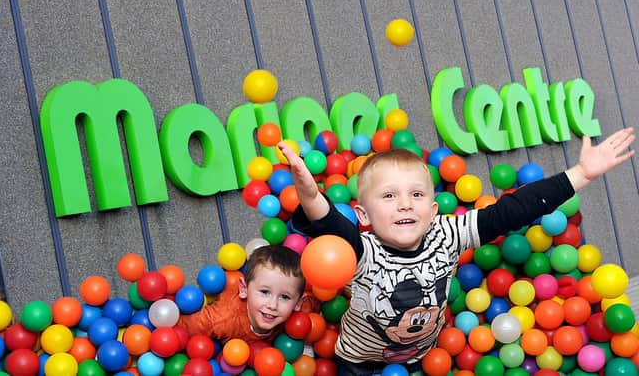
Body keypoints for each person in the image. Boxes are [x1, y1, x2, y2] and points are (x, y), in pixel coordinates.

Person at [279, 127, 635, 374]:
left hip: (421, 353)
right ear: (364, 215)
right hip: (357, 357)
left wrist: (580, 174)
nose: (405, 205)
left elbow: (511, 211)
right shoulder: (362, 251)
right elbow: (331, 224)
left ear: (434, 210)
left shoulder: (447, 233)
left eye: (417, 195)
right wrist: (309, 193)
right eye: (389, 196)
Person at [176, 243, 318, 344]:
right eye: (264, 292)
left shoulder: (301, 313)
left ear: (298, 303)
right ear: (244, 289)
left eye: (285, 297)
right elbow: (181, 329)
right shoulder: (221, 319)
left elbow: (315, 302)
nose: (273, 305)